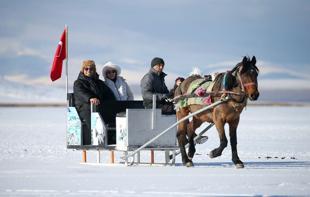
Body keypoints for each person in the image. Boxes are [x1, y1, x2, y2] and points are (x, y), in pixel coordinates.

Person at [73, 60, 116, 145]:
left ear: (94, 70)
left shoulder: (99, 82)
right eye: (86, 68)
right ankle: (98, 140)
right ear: (83, 70)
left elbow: (108, 94)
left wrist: (112, 103)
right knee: (96, 122)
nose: (89, 70)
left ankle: (113, 139)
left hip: (99, 107)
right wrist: (90, 98)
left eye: (91, 69)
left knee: (113, 116)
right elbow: (81, 92)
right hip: (85, 108)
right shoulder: (79, 83)